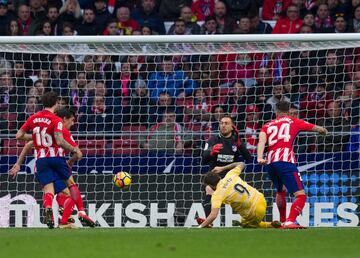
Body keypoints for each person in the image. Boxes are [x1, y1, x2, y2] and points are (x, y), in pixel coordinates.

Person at [9, 108, 96, 227]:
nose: (73, 123)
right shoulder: (63, 131)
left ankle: (59, 213)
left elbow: (28, 145)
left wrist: (18, 164)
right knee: (69, 192)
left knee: (53, 191)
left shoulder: (46, 129)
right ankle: (66, 219)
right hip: (56, 165)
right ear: (64, 119)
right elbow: (78, 153)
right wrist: (70, 160)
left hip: (41, 166)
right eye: (72, 120)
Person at [257, 101, 328, 229]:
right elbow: (315, 128)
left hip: (270, 162)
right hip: (285, 161)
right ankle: (290, 221)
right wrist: (323, 130)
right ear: (289, 111)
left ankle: (283, 220)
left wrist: (259, 157)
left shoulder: (267, 125)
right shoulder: (293, 121)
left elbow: (261, 141)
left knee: (280, 191)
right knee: (301, 195)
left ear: (275, 111)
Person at [198, 162, 281, 228]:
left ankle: (269, 225)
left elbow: (213, 215)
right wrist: (223, 168)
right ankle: (273, 224)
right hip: (261, 199)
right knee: (244, 220)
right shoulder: (230, 175)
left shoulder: (217, 195)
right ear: (218, 176)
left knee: (246, 224)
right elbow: (241, 164)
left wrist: (201, 226)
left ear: (211, 185)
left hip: (254, 212)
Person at [200, 115, 251, 219]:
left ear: (232, 126)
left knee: (246, 198)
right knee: (208, 188)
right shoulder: (212, 140)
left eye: (226, 123)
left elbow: (248, 158)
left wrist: (240, 144)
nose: (223, 125)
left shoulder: (236, 140)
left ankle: (251, 218)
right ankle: (208, 222)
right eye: (221, 123)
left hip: (230, 178)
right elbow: (203, 160)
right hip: (215, 177)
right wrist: (210, 152)